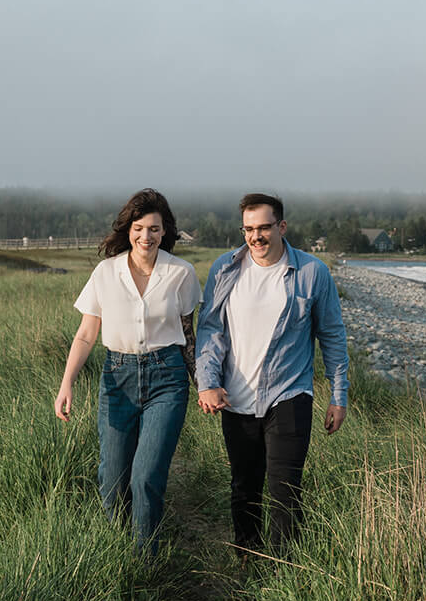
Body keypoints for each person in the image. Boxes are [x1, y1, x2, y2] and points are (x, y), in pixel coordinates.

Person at [195, 192, 349, 559]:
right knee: (244, 486)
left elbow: (332, 335)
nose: (256, 237)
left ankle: (281, 573)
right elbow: (210, 330)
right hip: (235, 396)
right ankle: (248, 561)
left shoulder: (312, 272)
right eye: (249, 229)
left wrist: (338, 396)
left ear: (281, 227)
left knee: (285, 490)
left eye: (264, 227)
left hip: (289, 394)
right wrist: (208, 382)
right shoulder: (225, 268)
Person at [55, 188, 200, 549]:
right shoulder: (106, 272)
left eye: (153, 229)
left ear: (165, 231)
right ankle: (116, 549)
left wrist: (204, 383)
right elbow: (86, 335)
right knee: (113, 479)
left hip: (167, 379)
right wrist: (67, 383)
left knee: (146, 476)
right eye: (138, 228)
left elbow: (189, 335)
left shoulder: (181, 273)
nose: (145, 237)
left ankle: (143, 559)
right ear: (128, 229)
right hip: (117, 378)